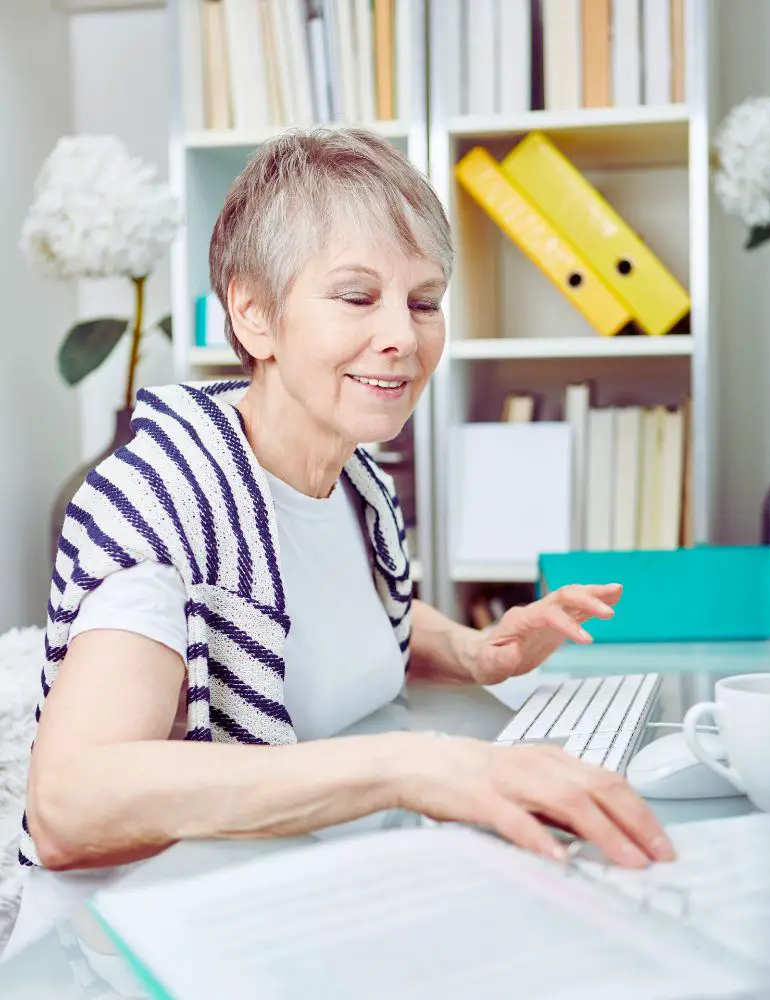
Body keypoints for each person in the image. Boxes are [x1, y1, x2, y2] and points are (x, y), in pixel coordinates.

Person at [9, 127, 673, 956]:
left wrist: (473, 653)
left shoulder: (357, 481)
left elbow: (338, 611)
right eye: (357, 297)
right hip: (126, 947)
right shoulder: (167, 495)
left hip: (294, 902)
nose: (403, 335)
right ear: (253, 313)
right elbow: (73, 802)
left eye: (424, 301)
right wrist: (412, 765)